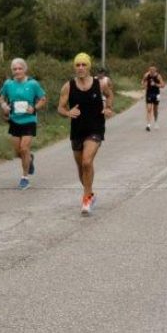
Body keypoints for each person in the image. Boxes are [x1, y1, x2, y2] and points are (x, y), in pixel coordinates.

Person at [57, 52, 113, 215]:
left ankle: (86, 198)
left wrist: (108, 108)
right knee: (82, 169)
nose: (80, 68)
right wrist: (68, 113)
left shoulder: (99, 84)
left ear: (89, 67)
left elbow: (110, 95)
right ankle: (90, 193)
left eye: (83, 65)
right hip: (77, 130)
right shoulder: (68, 86)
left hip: (95, 128)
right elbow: (60, 108)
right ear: (74, 67)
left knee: (87, 162)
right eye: (77, 65)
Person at [0, 57, 47, 188]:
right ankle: (29, 158)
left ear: (25, 69)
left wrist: (34, 108)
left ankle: (24, 177)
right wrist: (4, 106)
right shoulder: (8, 84)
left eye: (20, 68)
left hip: (29, 120)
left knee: (24, 148)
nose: (17, 71)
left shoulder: (33, 84)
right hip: (14, 120)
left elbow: (43, 99)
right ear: (12, 71)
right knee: (18, 152)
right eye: (15, 69)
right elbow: (2, 98)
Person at [141, 65, 163, 132]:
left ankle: (156, 122)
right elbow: (142, 81)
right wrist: (143, 85)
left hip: (156, 94)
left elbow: (162, 85)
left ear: (155, 70)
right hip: (149, 93)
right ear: (149, 70)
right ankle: (148, 125)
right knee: (149, 109)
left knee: (155, 109)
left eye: (153, 70)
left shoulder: (158, 76)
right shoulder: (146, 75)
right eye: (150, 70)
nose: (152, 71)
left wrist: (155, 84)